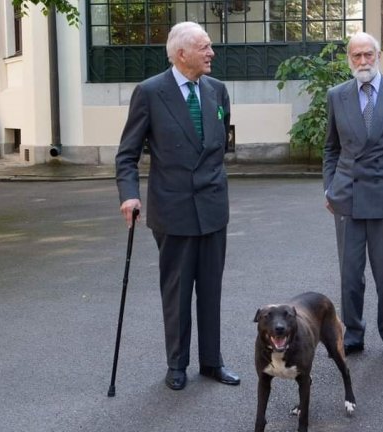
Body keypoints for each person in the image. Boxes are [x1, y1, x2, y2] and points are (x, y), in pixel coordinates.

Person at [115, 21, 239, 391]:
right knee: (178, 291)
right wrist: (129, 194)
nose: (211, 53)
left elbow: (221, 140)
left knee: (211, 290)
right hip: (174, 210)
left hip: (214, 207)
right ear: (181, 53)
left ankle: (212, 362)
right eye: (204, 47)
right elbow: (127, 154)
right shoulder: (151, 92)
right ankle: (177, 364)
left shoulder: (217, 90)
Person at [323, 32, 383, 363]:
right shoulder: (337, 95)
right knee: (350, 274)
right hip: (347, 195)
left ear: (378, 56)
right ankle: (352, 333)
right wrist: (329, 187)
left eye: (368, 55)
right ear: (348, 59)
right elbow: (331, 148)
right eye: (356, 56)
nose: (362, 62)